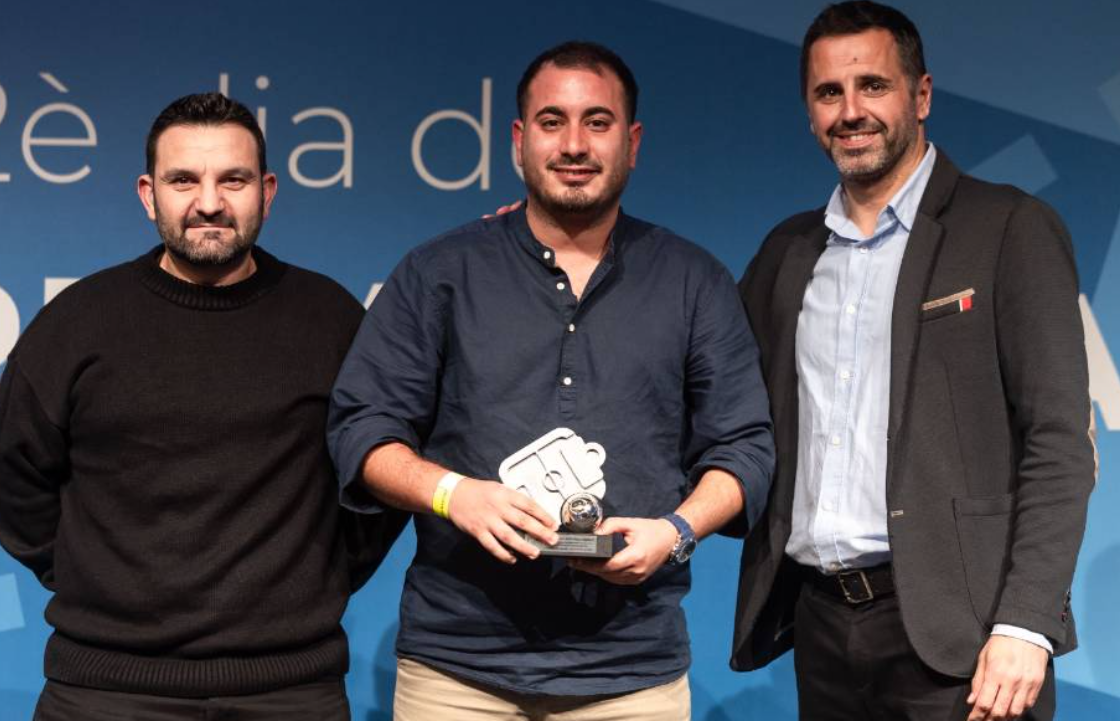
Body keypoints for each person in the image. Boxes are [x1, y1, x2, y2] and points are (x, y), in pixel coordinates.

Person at [328, 41, 774, 720]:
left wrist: (676, 530)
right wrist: (452, 493)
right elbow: (362, 429)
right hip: (456, 671)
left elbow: (744, 448)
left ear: (632, 142)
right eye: (551, 121)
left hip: (632, 675)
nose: (573, 144)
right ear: (518, 139)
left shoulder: (694, 281)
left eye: (597, 122)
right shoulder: (438, 272)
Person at [731, 3, 1095, 720]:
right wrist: (543, 246)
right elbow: (703, 381)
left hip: (968, 639)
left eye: (873, 85)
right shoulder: (788, 252)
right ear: (809, 111)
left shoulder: (1008, 227)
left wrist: (1027, 623)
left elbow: (1060, 442)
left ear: (921, 96)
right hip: (821, 629)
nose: (851, 111)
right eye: (829, 92)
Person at [0, 92, 406, 720]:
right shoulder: (78, 322)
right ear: (148, 194)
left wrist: (314, 574)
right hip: (104, 690)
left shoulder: (330, 320)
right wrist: (91, 574)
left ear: (267, 191)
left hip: (288, 691)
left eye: (233, 180)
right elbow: (14, 480)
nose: (209, 202)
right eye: (183, 180)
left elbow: (379, 477)